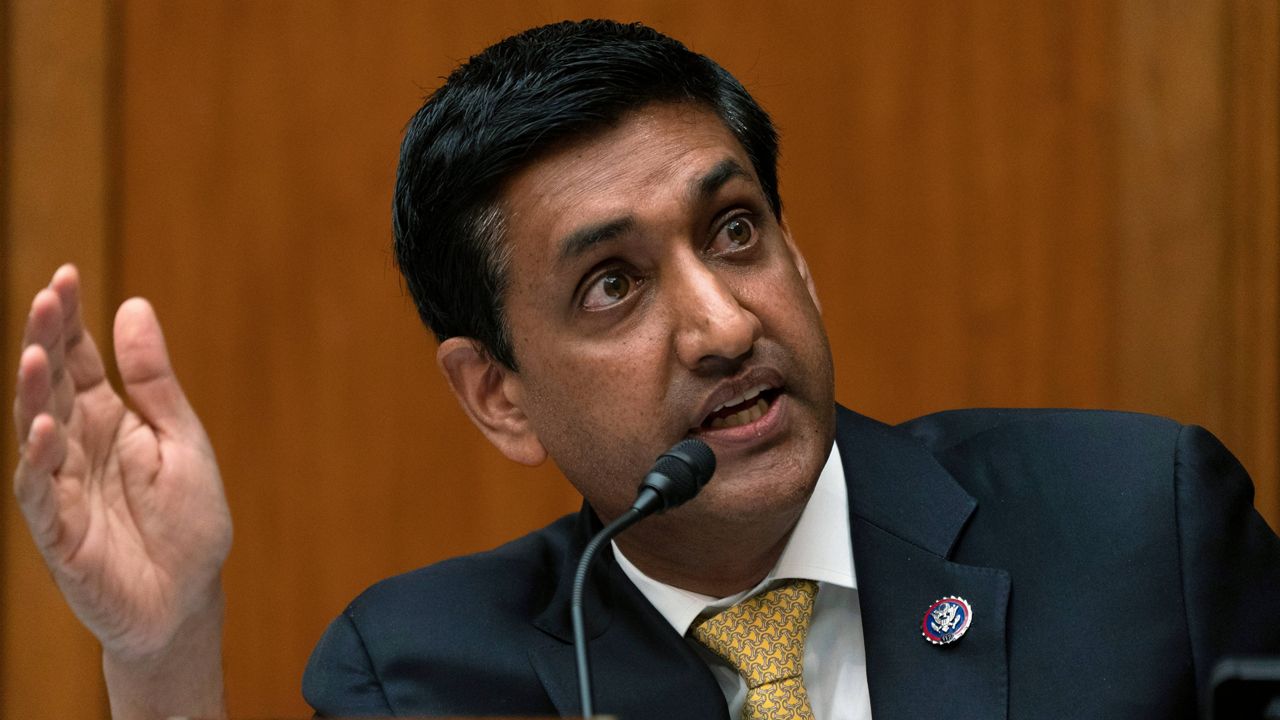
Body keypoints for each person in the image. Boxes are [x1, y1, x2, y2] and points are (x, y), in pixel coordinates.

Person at [12, 19, 1280, 720]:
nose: (722, 324)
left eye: (734, 233)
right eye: (611, 284)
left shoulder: (1134, 527)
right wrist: (166, 658)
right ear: (496, 394)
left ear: (801, 260)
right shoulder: (431, 675)